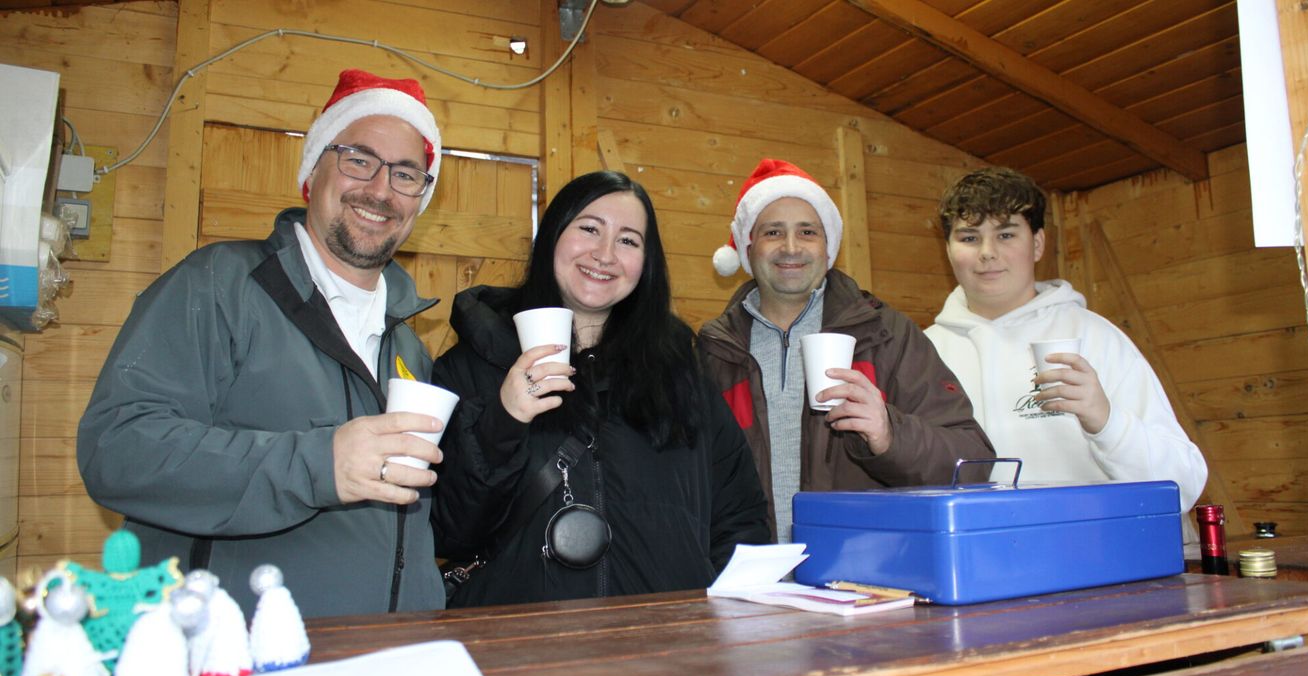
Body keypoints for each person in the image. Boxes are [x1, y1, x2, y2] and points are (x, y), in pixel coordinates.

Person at [78, 69, 450, 618]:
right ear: (313, 170)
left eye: (406, 174)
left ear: (420, 200)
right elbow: (118, 450)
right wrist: (320, 463)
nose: (380, 189)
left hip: (382, 663)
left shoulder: (409, 346)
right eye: (359, 159)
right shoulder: (217, 285)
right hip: (239, 663)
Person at [430, 170, 770, 607]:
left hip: (665, 649)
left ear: (646, 263)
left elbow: (739, 514)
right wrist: (504, 419)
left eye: (628, 240)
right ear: (553, 234)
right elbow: (448, 529)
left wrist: (710, 617)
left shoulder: (682, 374)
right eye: (589, 228)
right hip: (517, 651)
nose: (605, 253)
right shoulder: (471, 367)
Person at [700, 159, 994, 542]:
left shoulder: (887, 335)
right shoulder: (713, 350)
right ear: (747, 247)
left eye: (808, 231)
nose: (791, 247)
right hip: (751, 582)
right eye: (773, 231)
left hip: (862, 578)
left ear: (828, 248)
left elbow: (973, 463)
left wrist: (891, 435)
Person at [923, 166, 1206, 539]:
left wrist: (1105, 421)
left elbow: (1185, 483)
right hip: (982, 566)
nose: (987, 253)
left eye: (1006, 234)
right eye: (970, 237)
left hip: (1102, 562)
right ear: (948, 250)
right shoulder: (925, 352)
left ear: (1037, 244)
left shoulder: (1094, 337)